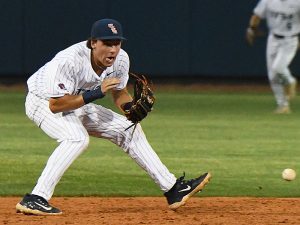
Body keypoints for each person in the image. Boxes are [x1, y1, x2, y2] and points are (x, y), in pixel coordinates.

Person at [16, 18, 211, 215]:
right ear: (93, 43)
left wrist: (130, 109)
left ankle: (172, 189)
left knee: (128, 129)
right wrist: (95, 93)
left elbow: (119, 92)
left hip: (76, 102)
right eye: (107, 43)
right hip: (42, 102)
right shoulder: (69, 61)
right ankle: (36, 198)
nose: (113, 49)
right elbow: (56, 105)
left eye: (116, 43)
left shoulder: (121, 59)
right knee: (76, 138)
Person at [246, 0, 300, 114]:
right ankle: (283, 105)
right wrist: (251, 29)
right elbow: (257, 16)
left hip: (290, 40)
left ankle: (291, 81)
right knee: (272, 75)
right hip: (273, 39)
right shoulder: (268, 0)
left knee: (278, 68)